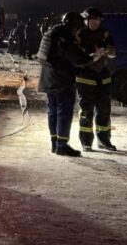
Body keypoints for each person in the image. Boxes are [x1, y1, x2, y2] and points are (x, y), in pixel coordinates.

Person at [37, 11, 91, 157]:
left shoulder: (52, 33)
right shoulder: (65, 37)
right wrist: (92, 57)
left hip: (48, 79)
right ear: (74, 26)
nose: (79, 31)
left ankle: (55, 143)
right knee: (64, 113)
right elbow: (79, 58)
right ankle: (62, 145)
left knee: (53, 112)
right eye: (79, 28)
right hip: (62, 81)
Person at [77, 7, 117, 151]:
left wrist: (108, 51)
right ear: (86, 20)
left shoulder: (105, 34)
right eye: (92, 19)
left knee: (104, 109)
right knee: (86, 110)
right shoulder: (79, 34)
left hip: (103, 76)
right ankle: (86, 142)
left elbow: (114, 52)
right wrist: (93, 54)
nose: (95, 22)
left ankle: (104, 140)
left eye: (98, 20)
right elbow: (77, 55)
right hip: (85, 75)